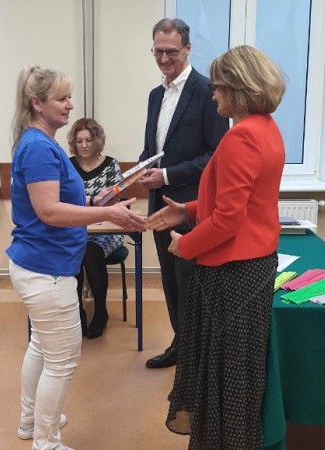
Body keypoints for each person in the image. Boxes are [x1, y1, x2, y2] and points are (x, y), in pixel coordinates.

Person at [147, 45, 286, 449]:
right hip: (252, 266)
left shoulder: (242, 137)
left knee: (224, 376)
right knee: (236, 373)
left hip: (232, 272)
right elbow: (238, 199)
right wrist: (187, 210)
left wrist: (185, 245)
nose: (213, 95)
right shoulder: (266, 128)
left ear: (238, 89)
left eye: (219, 87)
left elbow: (228, 219)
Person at [7, 65, 145, 450]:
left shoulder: (41, 142)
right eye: (62, 98)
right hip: (45, 270)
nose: (70, 104)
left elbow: (56, 200)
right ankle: (46, 441)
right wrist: (106, 212)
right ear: (37, 103)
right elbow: (49, 211)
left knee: (42, 347)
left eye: (69, 96)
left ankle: (31, 421)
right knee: (62, 359)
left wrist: (93, 201)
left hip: (41, 266)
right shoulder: (38, 147)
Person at [138, 18, 228, 369]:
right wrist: (142, 169)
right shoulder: (154, 95)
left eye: (171, 52)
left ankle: (195, 357)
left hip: (191, 206)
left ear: (188, 48)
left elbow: (215, 156)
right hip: (159, 205)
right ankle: (181, 345)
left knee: (190, 285)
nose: (164, 59)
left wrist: (166, 174)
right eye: (158, 51)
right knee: (170, 282)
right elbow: (152, 149)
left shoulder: (207, 93)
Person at [67, 118, 124, 339]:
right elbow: (64, 200)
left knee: (90, 251)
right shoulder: (68, 165)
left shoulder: (111, 165)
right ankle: (78, 312)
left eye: (89, 140)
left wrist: (90, 207)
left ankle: (100, 311)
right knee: (77, 250)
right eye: (79, 141)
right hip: (76, 229)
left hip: (107, 229)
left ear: (97, 140)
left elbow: (115, 201)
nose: (84, 145)